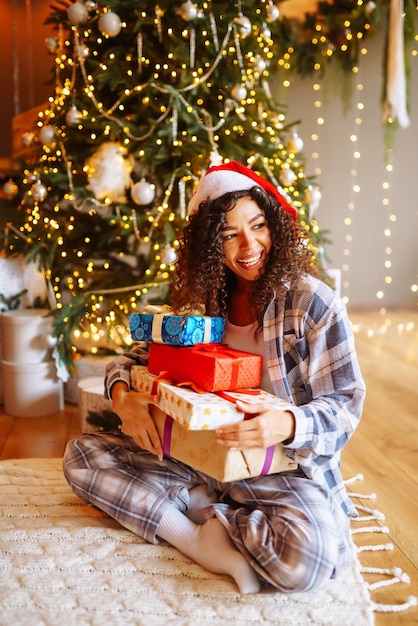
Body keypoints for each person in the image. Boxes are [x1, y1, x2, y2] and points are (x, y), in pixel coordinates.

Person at [63, 161, 366, 595]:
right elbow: (135, 359)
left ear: (275, 226)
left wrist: (288, 424)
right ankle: (199, 541)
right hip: (191, 456)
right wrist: (121, 394)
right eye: (229, 235)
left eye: (258, 225)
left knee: (308, 561)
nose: (248, 245)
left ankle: (206, 513)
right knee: (81, 456)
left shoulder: (313, 304)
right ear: (211, 244)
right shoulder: (203, 299)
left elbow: (345, 404)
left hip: (274, 471)